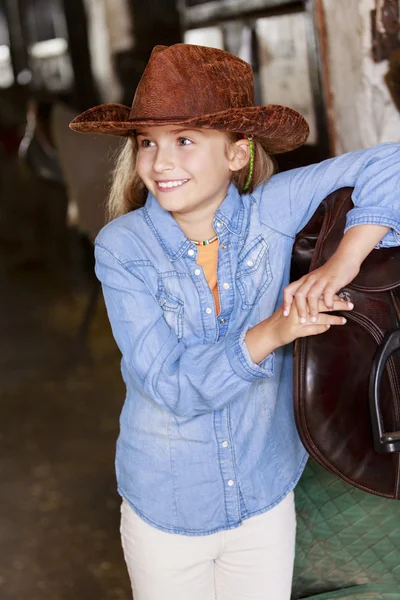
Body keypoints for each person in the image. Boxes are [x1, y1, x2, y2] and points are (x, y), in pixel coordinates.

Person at [69, 44, 400, 600]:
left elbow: (392, 162)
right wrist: (276, 330)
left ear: (237, 154)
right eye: (147, 142)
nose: (160, 161)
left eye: (185, 140)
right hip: (168, 505)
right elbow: (171, 385)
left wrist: (342, 264)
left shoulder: (272, 210)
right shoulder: (123, 247)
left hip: (265, 497)